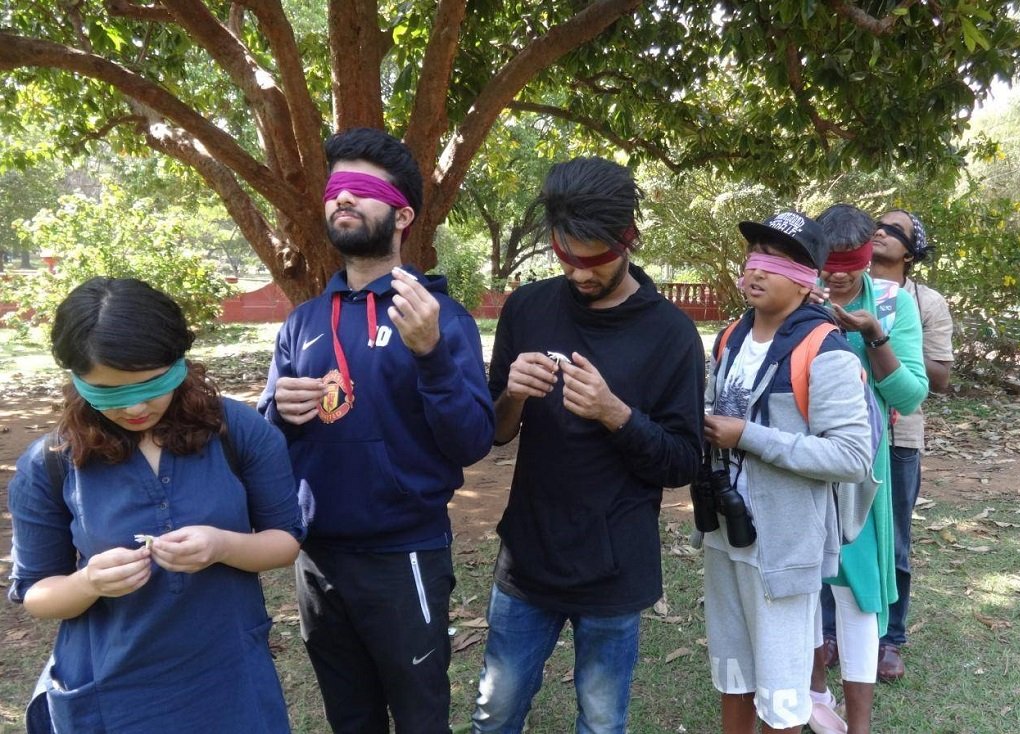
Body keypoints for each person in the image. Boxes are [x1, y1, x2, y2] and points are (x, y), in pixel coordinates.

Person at [258, 126, 494, 733]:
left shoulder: (440, 318)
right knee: (350, 718)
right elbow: (265, 448)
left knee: (419, 717)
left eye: (362, 189)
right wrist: (277, 413)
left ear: (403, 214)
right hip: (316, 557)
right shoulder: (303, 323)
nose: (342, 199)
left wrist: (432, 354)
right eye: (336, 188)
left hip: (403, 554)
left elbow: (471, 442)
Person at [7, 277, 305, 734]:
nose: (136, 406)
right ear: (77, 380)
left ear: (179, 361)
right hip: (110, 690)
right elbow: (38, 593)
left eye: (151, 384)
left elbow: (285, 542)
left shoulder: (240, 432)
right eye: (110, 392)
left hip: (227, 680)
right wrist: (89, 582)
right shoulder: (50, 463)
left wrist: (222, 545)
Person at [471, 156, 704, 734]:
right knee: (494, 713)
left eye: (594, 259)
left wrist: (615, 414)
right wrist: (514, 398)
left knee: (601, 723)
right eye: (565, 255)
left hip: (614, 567)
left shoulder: (670, 334)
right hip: (529, 556)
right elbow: (496, 433)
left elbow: (681, 461)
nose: (578, 274)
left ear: (629, 239)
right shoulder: (528, 308)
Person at [701, 211, 872, 734]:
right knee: (733, 674)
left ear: (805, 279)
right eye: (753, 257)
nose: (756, 270)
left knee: (781, 694)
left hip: (784, 547)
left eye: (774, 261)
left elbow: (850, 456)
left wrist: (746, 436)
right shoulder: (731, 336)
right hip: (725, 534)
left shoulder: (824, 349)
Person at [810, 204, 928, 734]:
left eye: (849, 262)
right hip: (800, 468)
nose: (836, 274)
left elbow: (909, 393)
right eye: (827, 262)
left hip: (860, 474)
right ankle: (813, 695)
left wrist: (873, 334)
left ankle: (857, 722)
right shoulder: (795, 291)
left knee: (858, 592)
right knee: (802, 587)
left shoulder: (889, 301)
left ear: (866, 257)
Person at [870, 209, 954, 681]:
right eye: (876, 226)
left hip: (901, 436)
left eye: (895, 231)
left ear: (911, 251)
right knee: (838, 534)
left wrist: (890, 333)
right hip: (844, 431)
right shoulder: (845, 286)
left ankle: (890, 639)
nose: (880, 232)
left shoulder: (926, 302)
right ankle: (833, 631)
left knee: (894, 536)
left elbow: (939, 377)